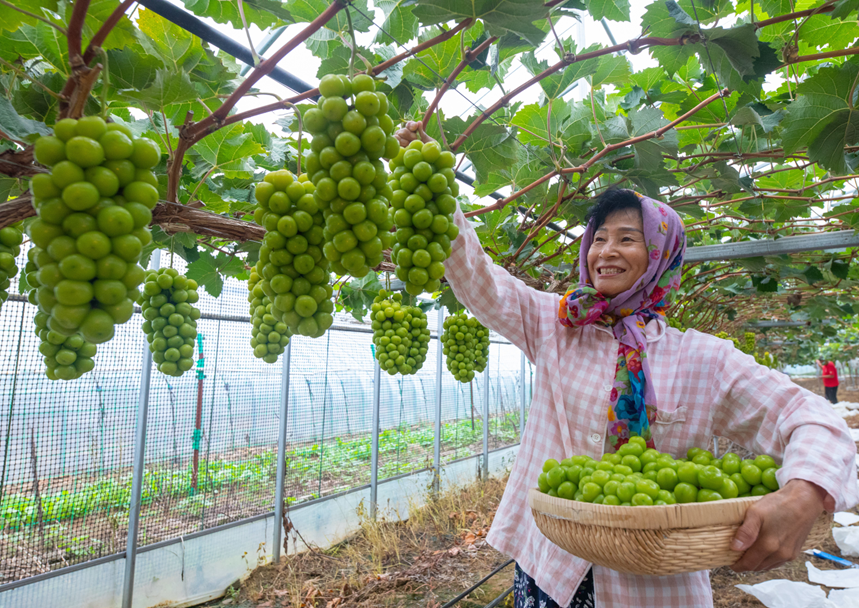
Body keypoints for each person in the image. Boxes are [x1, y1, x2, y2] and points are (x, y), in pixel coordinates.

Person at [443, 188, 858, 608]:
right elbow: (477, 277)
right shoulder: (555, 326)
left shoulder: (703, 358)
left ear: (661, 254)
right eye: (598, 238)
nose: (606, 251)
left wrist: (803, 492)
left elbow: (812, 418)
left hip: (651, 587)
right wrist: (440, 193)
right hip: (549, 564)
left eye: (626, 239)